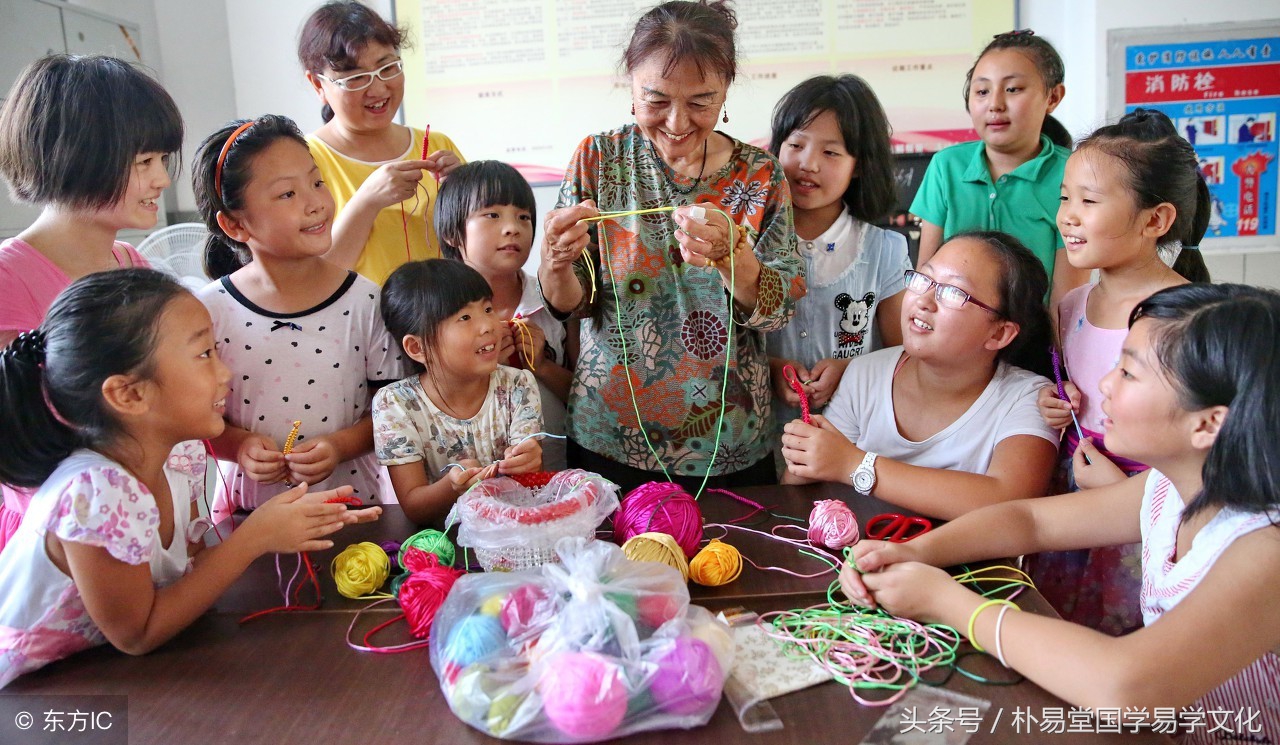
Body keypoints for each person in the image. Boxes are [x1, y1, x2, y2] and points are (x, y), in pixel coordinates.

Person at [842, 284, 1280, 745]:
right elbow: (1033, 522)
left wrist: (948, 603)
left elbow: (1125, 685)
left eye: (1129, 373)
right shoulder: (1169, 489)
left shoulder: (1264, 548)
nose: (1105, 385)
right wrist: (916, 551)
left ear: (1208, 423)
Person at [0, 269, 380, 688]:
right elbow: (138, 634)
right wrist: (255, 536)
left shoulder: (180, 452)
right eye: (204, 355)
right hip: (25, 694)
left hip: (95, 675)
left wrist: (291, 521)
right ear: (129, 394)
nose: (225, 374)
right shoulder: (95, 490)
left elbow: (190, 572)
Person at [538, 0, 805, 494]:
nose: (678, 122)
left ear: (725, 91)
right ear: (631, 87)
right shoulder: (599, 158)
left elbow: (778, 311)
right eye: (656, 99)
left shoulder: (759, 175)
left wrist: (735, 260)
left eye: (701, 102)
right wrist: (555, 259)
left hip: (728, 442)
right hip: (609, 434)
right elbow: (570, 302)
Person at [1031, 108, 1212, 634]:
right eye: (1066, 198)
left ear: (1155, 220)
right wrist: (1055, 402)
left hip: (1146, 516)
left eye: (1088, 201)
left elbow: (1209, 453)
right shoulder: (1072, 305)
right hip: (1070, 503)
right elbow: (1073, 391)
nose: (1068, 215)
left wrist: (1119, 489)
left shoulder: (1186, 317)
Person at [0, 54, 182, 553]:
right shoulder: (7, 279)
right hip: (60, 540)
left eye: (162, 160)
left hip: (133, 519)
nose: (162, 179)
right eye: (144, 162)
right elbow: (20, 446)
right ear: (77, 156)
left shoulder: (133, 264)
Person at [194, 115, 406, 521]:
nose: (315, 202)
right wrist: (238, 445)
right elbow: (194, 419)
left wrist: (340, 446)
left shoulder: (365, 301)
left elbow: (393, 409)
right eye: (288, 194)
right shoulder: (209, 312)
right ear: (235, 224)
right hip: (249, 516)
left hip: (351, 510)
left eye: (317, 182)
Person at [781, 231, 1058, 520]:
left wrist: (856, 465)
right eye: (923, 279)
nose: (924, 299)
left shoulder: (1030, 398)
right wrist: (806, 457)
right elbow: (801, 495)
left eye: (953, 292)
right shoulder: (865, 374)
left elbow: (1010, 502)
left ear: (999, 333)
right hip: (863, 557)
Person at [765, 74, 909, 432]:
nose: (808, 164)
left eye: (830, 152)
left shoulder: (884, 251)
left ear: (858, 165)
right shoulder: (746, 243)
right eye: (796, 145)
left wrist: (851, 370)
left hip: (855, 440)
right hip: (761, 443)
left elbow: (907, 356)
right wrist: (768, 367)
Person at [911, 31, 1090, 309]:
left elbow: (1065, 298)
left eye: (1013, 89)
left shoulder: (1073, 173)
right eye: (982, 91)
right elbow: (926, 276)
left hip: (1033, 340)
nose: (995, 104)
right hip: (952, 335)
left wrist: (1057, 353)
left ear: (1053, 96)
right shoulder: (946, 166)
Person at [297, 1, 465, 284]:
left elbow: (479, 249)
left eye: (387, 68)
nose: (377, 89)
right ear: (318, 85)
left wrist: (464, 191)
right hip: (359, 325)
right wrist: (367, 202)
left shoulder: (436, 143)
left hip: (446, 320)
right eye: (356, 78)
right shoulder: (304, 160)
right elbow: (313, 278)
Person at [374, 259, 543, 523]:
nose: (488, 325)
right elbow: (414, 507)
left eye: (488, 308)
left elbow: (528, 482)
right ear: (418, 348)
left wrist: (529, 459)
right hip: (440, 546)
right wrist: (451, 487)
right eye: (465, 317)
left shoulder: (517, 385)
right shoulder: (395, 404)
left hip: (509, 533)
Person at [436, 160, 572, 471]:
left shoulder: (555, 301)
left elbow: (585, 398)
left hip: (552, 476)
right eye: (492, 215)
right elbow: (421, 399)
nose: (513, 227)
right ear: (452, 233)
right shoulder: (436, 313)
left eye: (523, 217)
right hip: (464, 482)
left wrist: (543, 365)